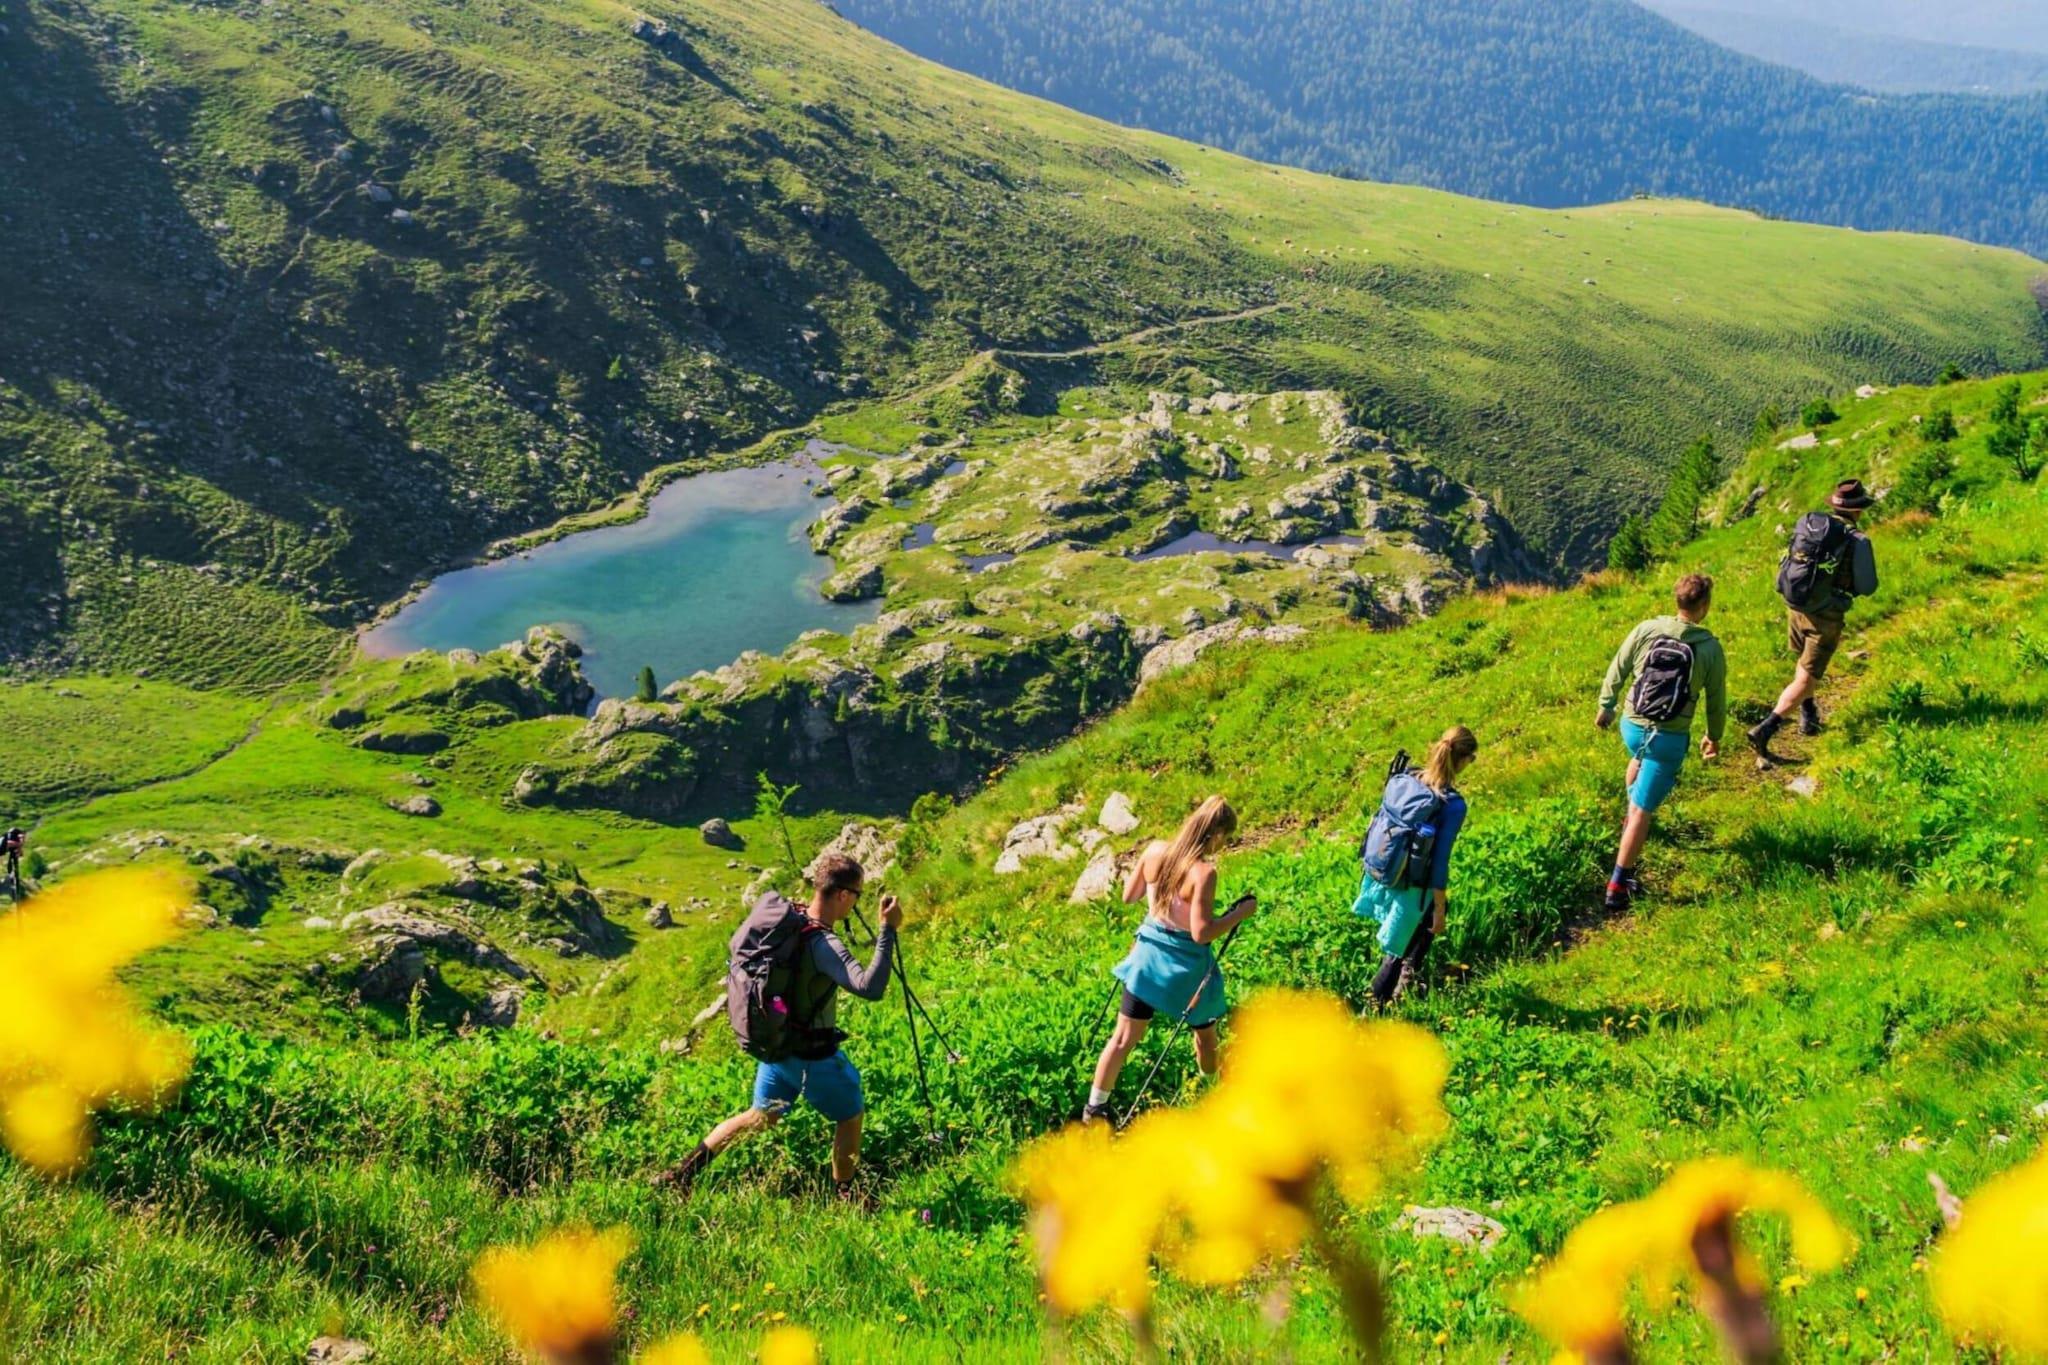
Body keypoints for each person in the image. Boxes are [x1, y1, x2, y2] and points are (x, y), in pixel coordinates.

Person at [660, 852, 899, 1200]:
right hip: (811, 1057)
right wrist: (887, 931)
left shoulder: (791, 920)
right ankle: (849, 1199)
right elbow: (870, 988)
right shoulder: (824, 943)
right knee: (850, 1115)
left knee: (760, 1117)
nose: (856, 902)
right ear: (843, 895)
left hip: (777, 1046)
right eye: (857, 895)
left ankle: (681, 1174)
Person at [1082, 795, 1256, 1124]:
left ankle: (1095, 1109)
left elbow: (1129, 896)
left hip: (1146, 962)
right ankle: (1212, 1091)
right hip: (1186, 970)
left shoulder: (1154, 851)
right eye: (1226, 837)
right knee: (1205, 1037)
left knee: (1121, 1039)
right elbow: (1201, 933)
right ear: (1217, 834)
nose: (1224, 844)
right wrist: (1239, 913)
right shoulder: (1204, 873)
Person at [1596, 573, 1727, 912]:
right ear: (1704, 605)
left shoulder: (1647, 629)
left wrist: (1606, 705)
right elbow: (1715, 699)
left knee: (1638, 761)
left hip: (1632, 726)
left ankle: (1630, 827)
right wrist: (1714, 736)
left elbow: (1618, 666)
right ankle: (1618, 885)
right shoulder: (1709, 648)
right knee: (1642, 809)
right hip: (1668, 738)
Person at [1748, 479, 1879, 765]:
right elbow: (1868, 586)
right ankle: (1767, 727)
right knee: (1808, 675)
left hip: (1796, 604)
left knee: (1803, 661)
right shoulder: (1858, 540)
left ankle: (1808, 715)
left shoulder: (1812, 526)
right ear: (1858, 510)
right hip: (1826, 614)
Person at [1351, 726, 1478, 1009]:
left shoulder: (1409, 777)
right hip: (1415, 887)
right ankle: (1374, 1007)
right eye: (1472, 758)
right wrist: (1440, 910)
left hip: (1388, 872)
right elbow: (1440, 862)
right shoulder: (1452, 804)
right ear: (1462, 759)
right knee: (1401, 948)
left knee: (1411, 938)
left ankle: (1404, 986)